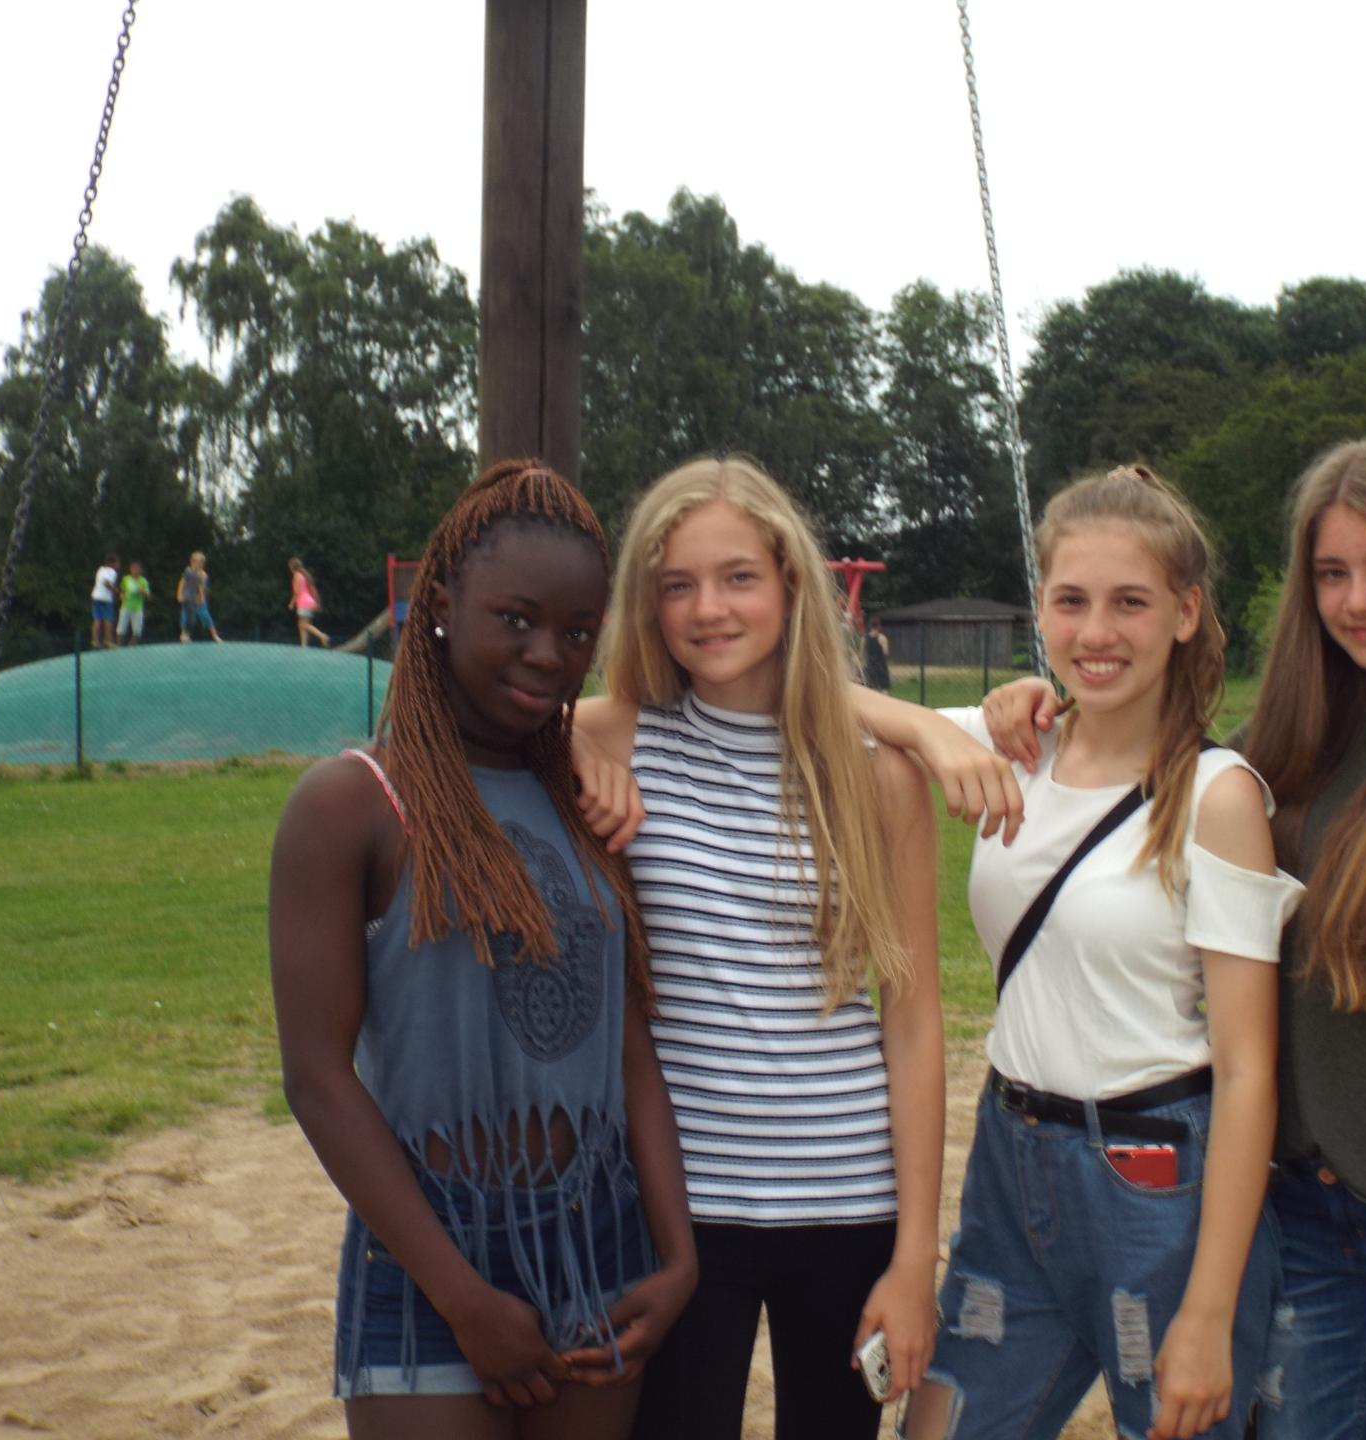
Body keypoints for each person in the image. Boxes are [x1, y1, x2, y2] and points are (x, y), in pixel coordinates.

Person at [994, 439, 1366, 1439]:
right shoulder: (1274, 758)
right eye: (1332, 572)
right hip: (1304, 1218)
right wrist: (1031, 705)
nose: (1359, 598)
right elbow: (1125, 734)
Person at [862, 464, 1302, 1440]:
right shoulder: (1015, 746)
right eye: (1071, 601)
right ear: (1041, 609)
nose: (1096, 633)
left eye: (1129, 602)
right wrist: (936, 734)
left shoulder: (1218, 797)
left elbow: (1248, 1071)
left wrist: (1209, 1312)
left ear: (1185, 613)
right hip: (1010, 1164)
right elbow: (816, 701)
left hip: (1155, 1180)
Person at [267, 460, 697, 1438]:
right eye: (516, 619)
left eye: (577, 632)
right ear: (441, 606)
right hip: (430, 1257)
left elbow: (628, 1045)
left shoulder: (583, 804)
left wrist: (676, 1258)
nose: (548, 654)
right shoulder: (352, 804)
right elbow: (317, 1079)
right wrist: (462, 1297)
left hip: (600, 1243)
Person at [570, 454, 944, 1440]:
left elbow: (912, 1022)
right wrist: (565, 747)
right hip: (681, 1212)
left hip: (848, 1200)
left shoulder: (879, 778)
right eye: (677, 585)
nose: (709, 609)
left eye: (738, 577)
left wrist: (916, 1257)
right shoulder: (616, 739)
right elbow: (453, 719)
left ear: (789, 584)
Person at [177, 552, 222, 643]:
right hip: (188, 599)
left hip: (199, 600)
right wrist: (179, 594)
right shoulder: (188, 572)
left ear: (203, 564)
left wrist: (201, 598)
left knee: (205, 616)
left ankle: (215, 635)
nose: (197, 565)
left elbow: (202, 588)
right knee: (186, 617)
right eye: (195, 562)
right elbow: (182, 583)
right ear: (191, 562)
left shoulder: (203, 575)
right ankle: (184, 635)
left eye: (200, 563)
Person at [289, 557, 332, 648]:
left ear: (292, 567)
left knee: (303, 624)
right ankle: (304, 645)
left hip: (303, 602)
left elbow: (297, 592)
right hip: (309, 602)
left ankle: (322, 636)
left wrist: (292, 603)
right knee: (302, 624)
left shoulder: (297, 576)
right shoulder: (303, 575)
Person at [115, 560, 149, 646]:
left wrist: (143, 591)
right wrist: (121, 596)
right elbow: (122, 590)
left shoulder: (143, 581)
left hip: (137, 608)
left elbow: (147, 595)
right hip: (126, 606)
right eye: (133, 568)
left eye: (137, 568)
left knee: (137, 631)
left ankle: (131, 646)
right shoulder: (126, 579)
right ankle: (119, 646)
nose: (135, 570)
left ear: (141, 570)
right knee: (121, 628)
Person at [90, 553, 119, 649]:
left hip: (96, 597)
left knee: (97, 619)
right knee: (107, 620)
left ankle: (95, 641)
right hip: (106, 599)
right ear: (112, 564)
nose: (118, 565)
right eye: (116, 563)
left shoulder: (100, 570)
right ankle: (108, 641)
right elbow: (107, 583)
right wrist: (115, 590)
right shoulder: (112, 571)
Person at [862, 615, 890, 692]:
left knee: (872, 690)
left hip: (870, 667)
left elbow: (861, 653)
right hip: (881, 667)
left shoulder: (864, 638)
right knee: (884, 689)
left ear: (870, 626)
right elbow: (886, 652)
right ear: (879, 626)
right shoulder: (882, 638)